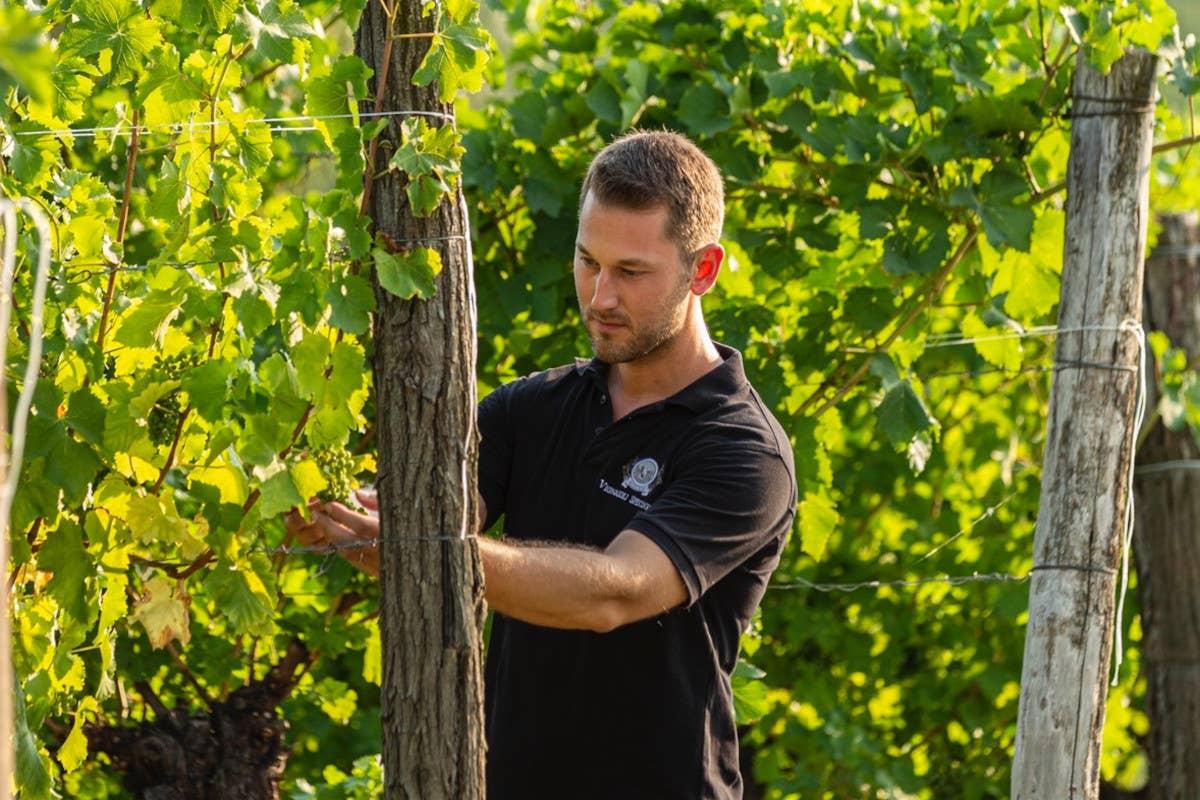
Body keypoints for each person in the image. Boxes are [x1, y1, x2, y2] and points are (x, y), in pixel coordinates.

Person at [287, 130, 797, 799]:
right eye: (588, 262)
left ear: (702, 270)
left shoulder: (743, 452)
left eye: (631, 272)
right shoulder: (534, 408)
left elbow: (614, 591)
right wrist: (326, 513)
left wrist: (418, 546)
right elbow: (421, 518)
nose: (600, 297)